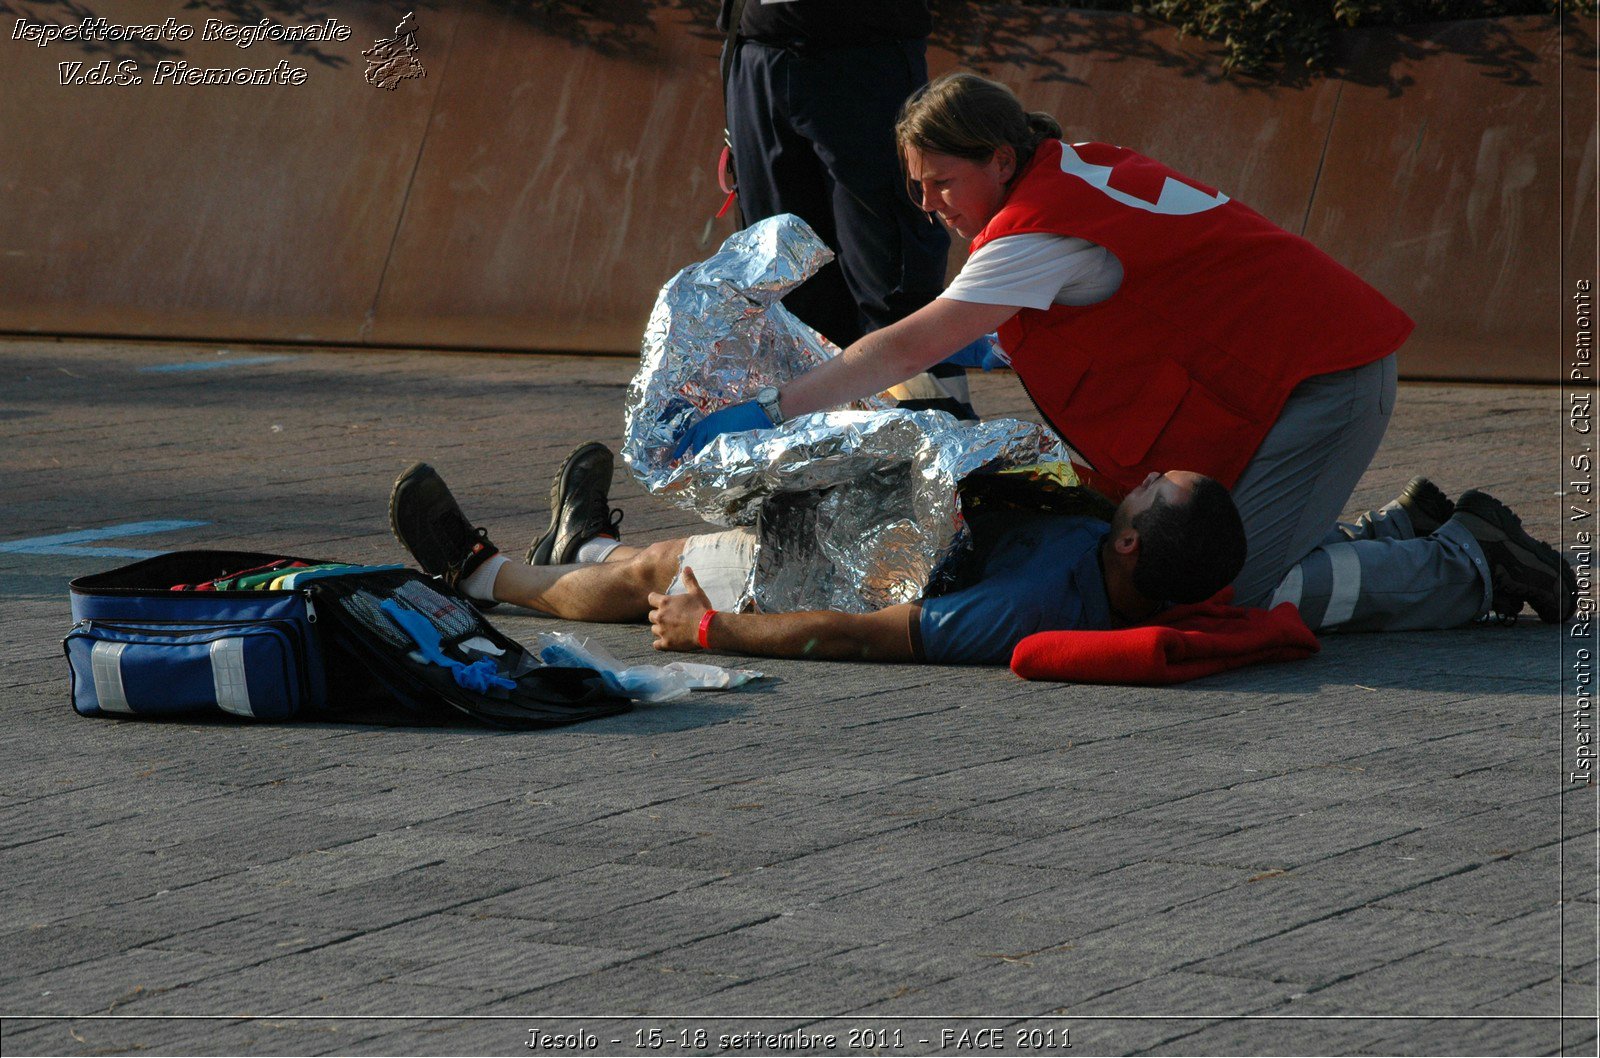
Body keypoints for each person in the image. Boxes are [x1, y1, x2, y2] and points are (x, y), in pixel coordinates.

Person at [673, 72, 1576, 632]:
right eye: (916, 191)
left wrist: (773, 414)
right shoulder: (1070, 169)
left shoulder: (1030, 234)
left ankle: (1472, 564)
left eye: (941, 182)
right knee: (1223, 556)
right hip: (1300, 371)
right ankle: (1398, 531)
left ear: (995, 157)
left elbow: (909, 341)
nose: (932, 206)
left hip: (1318, 382)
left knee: (1224, 598)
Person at [386, 444, 1249, 665]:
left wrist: (711, 632)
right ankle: (588, 544)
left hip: (838, 572)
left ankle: (476, 573)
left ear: (1132, 542)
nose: (1140, 478)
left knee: (653, 580)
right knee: (658, 552)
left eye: (1153, 486)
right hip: (882, 531)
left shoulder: (1034, 604)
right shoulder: (1106, 556)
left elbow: (871, 636)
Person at [717, 0, 977, 418]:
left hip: (863, 53)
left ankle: (931, 439)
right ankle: (814, 448)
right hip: (757, 48)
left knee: (889, 272)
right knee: (782, 280)